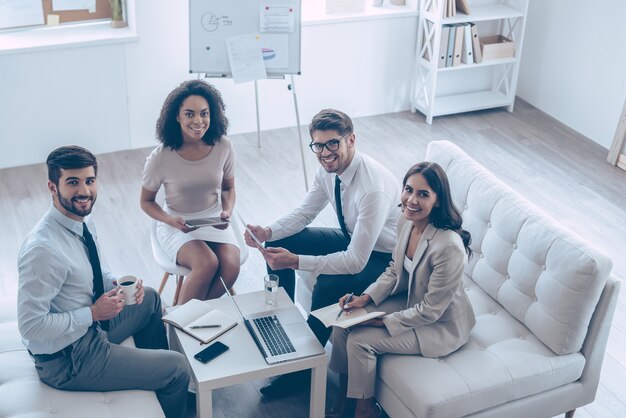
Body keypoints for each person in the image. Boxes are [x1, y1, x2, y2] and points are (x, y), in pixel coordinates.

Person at [17, 146, 190, 418]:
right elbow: (30, 325)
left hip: (90, 331)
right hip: (68, 360)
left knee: (152, 299)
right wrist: (93, 313)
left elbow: (95, 269)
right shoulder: (43, 250)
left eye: (89, 180)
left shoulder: (81, 221)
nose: (84, 191)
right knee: (177, 367)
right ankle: (168, 379)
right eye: (72, 182)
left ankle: (156, 383)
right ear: (53, 186)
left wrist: (115, 283)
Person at [244, 109, 400, 397]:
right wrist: (267, 231)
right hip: (353, 239)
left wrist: (296, 261)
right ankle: (281, 318)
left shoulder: (371, 189)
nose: (325, 152)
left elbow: (356, 261)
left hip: (384, 259)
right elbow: (304, 213)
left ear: (351, 140)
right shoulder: (327, 171)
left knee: (329, 283)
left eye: (333, 143)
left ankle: (303, 371)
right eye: (318, 145)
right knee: (282, 239)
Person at [328, 162, 475, 418]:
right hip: (411, 302)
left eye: (423, 194)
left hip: (439, 325)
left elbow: (431, 311)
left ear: (438, 201)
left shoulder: (448, 247)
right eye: (408, 189)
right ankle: (345, 395)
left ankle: (364, 409)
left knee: (360, 340)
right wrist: (365, 298)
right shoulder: (406, 222)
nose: (411, 200)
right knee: (342, 325)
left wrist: (382, 321)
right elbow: (395, 271)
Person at [141, 79, 240, 304]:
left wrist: (227, 211)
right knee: (207, 264)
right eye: (189, 114)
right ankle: (181, 324)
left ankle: (187, 315)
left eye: (204, 113)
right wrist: (169, 219)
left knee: (232, 267)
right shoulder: (161, 156)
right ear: (177, 116)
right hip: (176, 222)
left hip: (213, 219)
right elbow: (146, 201)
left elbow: (228, 188)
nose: (198, 121)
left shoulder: (223, 146)